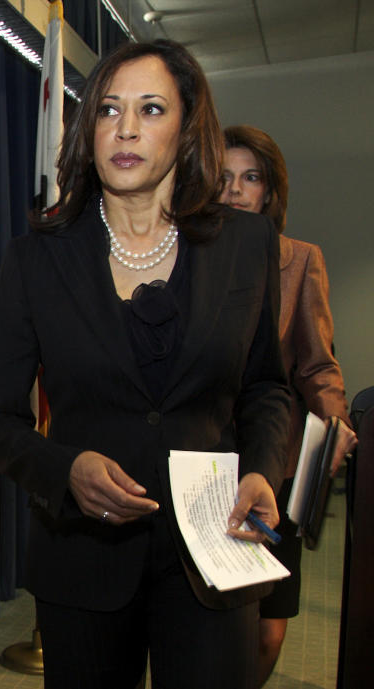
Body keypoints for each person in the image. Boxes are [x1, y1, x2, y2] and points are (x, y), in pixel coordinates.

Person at [0, 40, 290, 689]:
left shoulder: (247, 245)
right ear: (87, 127)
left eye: (150, 109)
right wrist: (67, 468)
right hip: (84, 561)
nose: (125, 128)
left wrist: (263, 471)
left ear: (187, 123)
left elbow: (267, 389)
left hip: (212, 552)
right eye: (108, 110)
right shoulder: (36, 260)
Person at [220, 125, 357, 688]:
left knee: (268, 631)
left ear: (269, 191)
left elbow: (316, 363)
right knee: (213, 624)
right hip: (205, 466)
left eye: (250, 178)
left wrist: (337, 420)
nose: (234, 191)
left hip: (275, 468)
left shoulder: (300, 261)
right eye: (223, 178)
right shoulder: (182, 257)